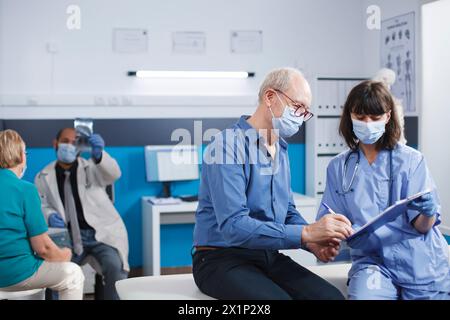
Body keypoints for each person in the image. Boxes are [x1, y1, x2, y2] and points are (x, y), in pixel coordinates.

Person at [192, 67, 354, 300]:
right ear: (270, 97)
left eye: (305, 111)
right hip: (220, 259)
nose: (300, 116)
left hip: (265, 255)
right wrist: (306, 233)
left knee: (331, 298)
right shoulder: (226, 146)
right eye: (297, 106)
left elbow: (287, 211)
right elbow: (234, 227)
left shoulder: (280, 148)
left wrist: (313, 243)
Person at [317, 80, 450, 300]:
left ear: (387, 117)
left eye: (375, 117)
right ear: (350, 116)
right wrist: (328, 240)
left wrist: (428, 211)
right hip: (372, 262)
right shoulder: (338, 167)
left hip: (419, 261)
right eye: (360, 117)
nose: (367, 123)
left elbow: (423, 226)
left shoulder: (411, 160)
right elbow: (331, 219)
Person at [35, 128, 129, 300]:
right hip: (68, 237)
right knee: (57, 273)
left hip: (100, 235)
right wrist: (49, 215)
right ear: (55, 144)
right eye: (65, 141)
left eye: (74, 142)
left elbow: (114, 174)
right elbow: (42, 205)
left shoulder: (92, 168)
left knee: (115, 265)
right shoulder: (43, 176)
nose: (70, 146)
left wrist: (100, 154)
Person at [0, 129, 84, 300]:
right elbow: (43, 248)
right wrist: (65, 255)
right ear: (22, 156)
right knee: (74, 274)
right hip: (16, 273)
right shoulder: (25, 189)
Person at [372, 68, 407, 144]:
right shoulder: (369, 100)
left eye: (387, 81)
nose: (385, 83)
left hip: (391, 142)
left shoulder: (396, 106)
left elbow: (399, 128)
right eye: (383, 79)